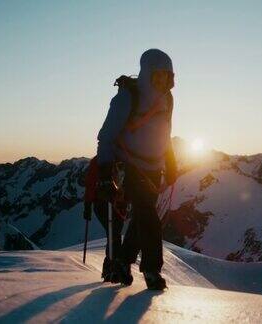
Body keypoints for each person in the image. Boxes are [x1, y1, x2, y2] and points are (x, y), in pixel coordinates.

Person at [96, 49, 177, 290]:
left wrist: (170, 161)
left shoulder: (167, 99)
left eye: (168, 77)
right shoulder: (126, 99)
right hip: (127, 164)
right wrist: (104, 174)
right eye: (158, 76)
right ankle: (152, 269)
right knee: (148, 216)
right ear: (147, 74)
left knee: (143, 216)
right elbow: (106, 137)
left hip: (153, 167)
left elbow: (165, 134)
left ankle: (122, 261)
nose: (163, 82)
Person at [83, 156, 126, 283]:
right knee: (115, 234)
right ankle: (113, 270)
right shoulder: (127, 155)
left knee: (114, 234)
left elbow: (90, 183)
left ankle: (111, 269)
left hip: (103, 202)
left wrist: (88, 205)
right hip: (115, 203)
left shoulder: (99, 159)